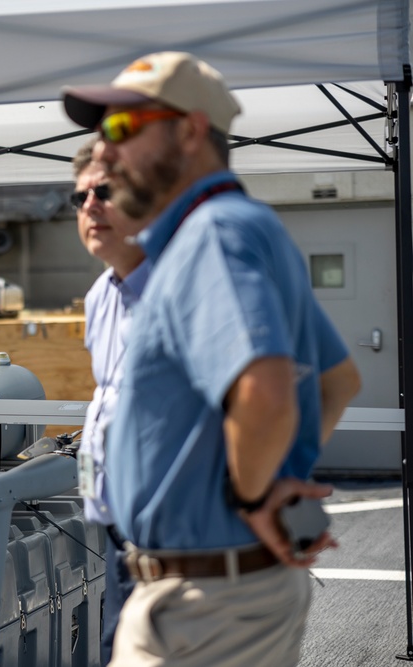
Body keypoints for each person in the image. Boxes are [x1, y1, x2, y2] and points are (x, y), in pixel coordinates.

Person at [63, 52, 361, 666]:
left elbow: (265, 394)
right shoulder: (234, 228)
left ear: (190, 131)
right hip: (210, 591)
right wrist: (274, 479)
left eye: (122, 128)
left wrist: (252, 500)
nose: (106, 149)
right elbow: (338, 380)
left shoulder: (211, 235)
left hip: (206, 599)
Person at [71, 138, 150, 665]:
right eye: (80, 198)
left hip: (187, 537)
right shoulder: (101, 295)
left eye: (105, 192)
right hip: (120, 529)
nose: (90, 207)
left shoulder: (185, 287)